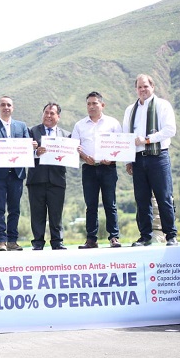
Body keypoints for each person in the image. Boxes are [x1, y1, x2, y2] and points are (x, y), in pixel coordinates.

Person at [123, 74, 178, 247]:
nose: (142, 90)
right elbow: (126, 136)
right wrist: (128, 160)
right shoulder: (130, 109)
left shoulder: (163, 105)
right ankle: (145, 235)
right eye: (139, 87)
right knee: (141, 199)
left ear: (152, 87)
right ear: (136, 89)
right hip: (138, 159)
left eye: (145, 86)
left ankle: (171, 235)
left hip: (158, 156)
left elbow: (170, 130)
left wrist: (147, 139)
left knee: (164, 196)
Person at [72, 92, 122, 249]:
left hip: (108, 167)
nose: (91, 106)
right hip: (89, 169)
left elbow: (121, 145)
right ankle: (91, 239)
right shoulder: (79, 125)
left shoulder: (113, 123)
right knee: (91, 205)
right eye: (89, 104)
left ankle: (114, 237)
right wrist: (84, 157)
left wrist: (112, 159)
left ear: (102, 105)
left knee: (110, 203)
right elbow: (74, 149)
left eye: (94, 103)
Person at [0, 96, 33, 251]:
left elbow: (28, 146)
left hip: (17, 174)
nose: (6, 107)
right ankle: (1, 241)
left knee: (15, 209)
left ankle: (12, 240)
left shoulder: (22, 126)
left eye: (9, 105)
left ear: (13, 108)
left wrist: (32, 145)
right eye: (3, 105)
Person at [27, 102, 70, 250]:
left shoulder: (66, 135)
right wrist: (35, 152)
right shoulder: (32, 131)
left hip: (57, 180)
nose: (48, 116)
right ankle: (38, 243)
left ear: (58, 116)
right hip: (36, 179)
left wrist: (76, 150)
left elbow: (70, 156)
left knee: (56, 213)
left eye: (52, 113)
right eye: (46, 112)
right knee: (37, 213)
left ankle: (57, 242)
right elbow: (24, 153)